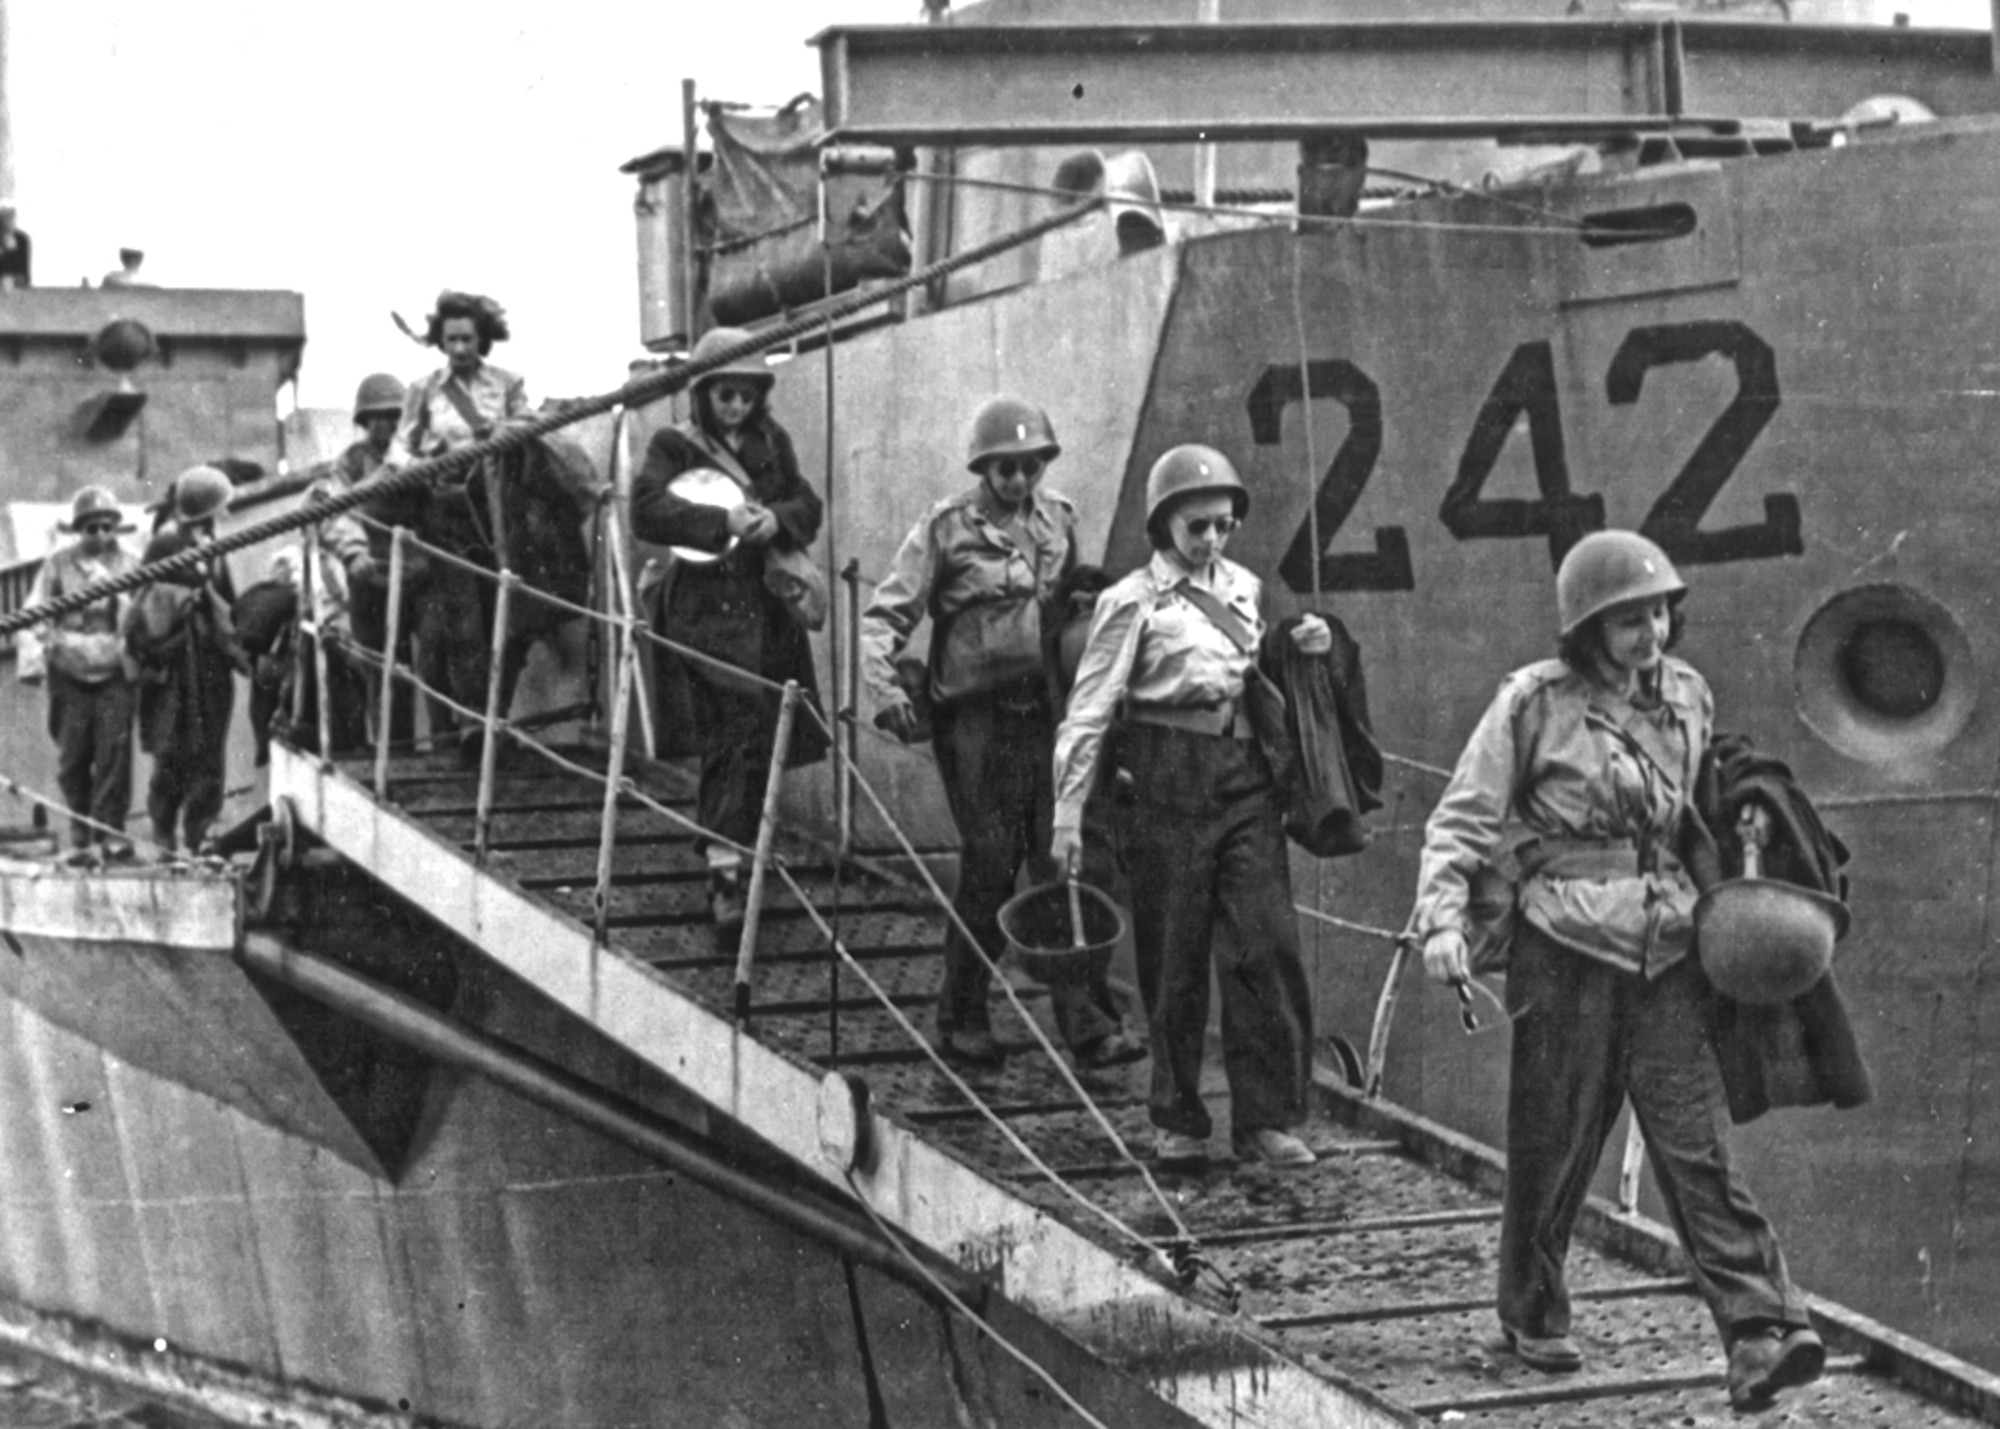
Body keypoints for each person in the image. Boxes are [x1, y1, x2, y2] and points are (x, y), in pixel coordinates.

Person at [1403, 529, 1824, 1411]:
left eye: (1659, 613)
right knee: (1554, 1141)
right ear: (1586, 628)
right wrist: (1441, 921)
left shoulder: (1688, 696)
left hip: (1667, 944)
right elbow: (1463, 820)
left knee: (1693, 1142)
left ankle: (1757, 1331)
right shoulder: (1534, 703)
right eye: (1628, 620)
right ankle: (1533, 1307)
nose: (1651, 634)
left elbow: (1697, 801)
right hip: (1565, 944)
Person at [1051, 444, 1330, 1169]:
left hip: (1242, 777)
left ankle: (1267, 1117)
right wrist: (1067, 814)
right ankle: (1176, 1116)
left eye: (1222, 525)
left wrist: (1307, 645)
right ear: (1163, 522)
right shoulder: (1129, 602)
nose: (1211, 540)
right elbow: (1087, 712)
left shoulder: (1244, 586)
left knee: (1265, 945)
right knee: (1174, 957)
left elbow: (1257, 676)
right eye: (1196, 525)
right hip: (1165, 780)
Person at [862, 396, 1141, 1070]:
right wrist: (886, 689)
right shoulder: (946, 529)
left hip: (1047, 711)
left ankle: (1087, 1023)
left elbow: (1079, 601)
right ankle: (962, 1013)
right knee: (990, 862)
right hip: (975, 722)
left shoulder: (1059, 518)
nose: (1018, 481)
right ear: (983, 468)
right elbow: (885, 614)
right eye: (1004, 469)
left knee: (1062, 859)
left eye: (1029, 467)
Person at [630, 326, 827, 945]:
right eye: (726, 397)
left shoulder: (774, 440)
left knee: (761, 737)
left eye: (746, 396)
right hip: (706, 615)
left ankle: (738, 859)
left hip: (765, 614)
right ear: (703, 394)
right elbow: (647, 509)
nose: (737, 408)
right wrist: (723, 520)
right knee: (728, 739)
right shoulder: (673, 445)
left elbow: (806, 503)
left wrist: (778, 519)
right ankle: (724, 872)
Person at [397, 291, 530, 763]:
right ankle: (477, 726)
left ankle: (499, 717)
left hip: (501, 512)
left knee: (509, 618)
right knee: (464, 622)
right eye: (450, 339)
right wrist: (426, 466)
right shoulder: (424, 390)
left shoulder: (509, 384)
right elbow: (400, 450)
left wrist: (500, 437)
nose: (458, 349)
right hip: (447, 513)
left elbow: (528, 427)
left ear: (483, 339)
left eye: (467, 339)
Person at [18, 487, 137, 857]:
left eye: (106, 527)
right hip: (69, 674)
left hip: (113, 671)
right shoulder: (57, 565)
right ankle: (81, 834)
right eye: (91, 528)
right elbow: (33, 612)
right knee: (73, 758)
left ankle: (111, 834)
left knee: (114, 757)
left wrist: (118, 599)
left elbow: (143, 615)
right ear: (78, 530)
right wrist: (35, 656)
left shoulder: (130, 563)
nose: (100, 535)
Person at [123, 527, 247, 856]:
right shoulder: (164, 545)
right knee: (170, 756)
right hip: (170, 676)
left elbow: (229, 610)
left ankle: (200, 835)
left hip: (208, 671)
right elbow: (141, 608)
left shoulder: (215, 550)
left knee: (208, 759)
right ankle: (164, 832)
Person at [0, 204, 32, 289]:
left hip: (18, 281)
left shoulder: (22, 239)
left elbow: (24, 268)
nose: (10, 222)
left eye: (12, 219)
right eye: (6, 219)